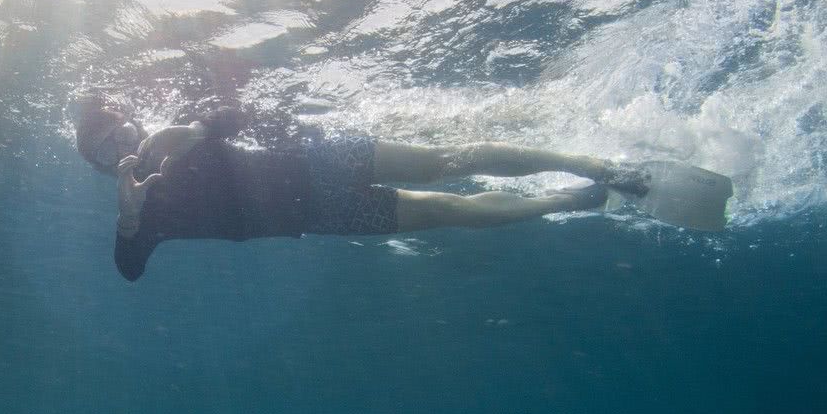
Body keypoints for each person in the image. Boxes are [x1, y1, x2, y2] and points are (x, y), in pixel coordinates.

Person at [74, 97, 653, 282]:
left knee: (444, 161)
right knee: (453, 211)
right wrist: (128, 220)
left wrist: (197, 129)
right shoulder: (143, 212)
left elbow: (241, 114)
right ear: (99, 167)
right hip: (327, 213)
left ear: (129, 118)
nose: (117, 143)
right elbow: (129, 270)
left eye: (116, 128)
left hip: (319, 158)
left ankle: (592, 164)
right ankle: (565, 200)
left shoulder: (179, 126)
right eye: (102, 149)